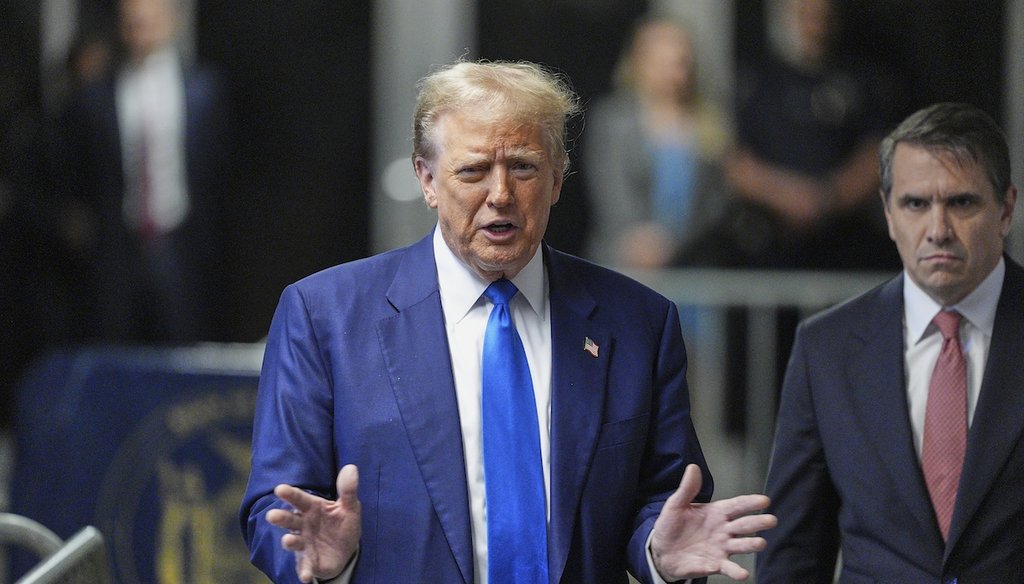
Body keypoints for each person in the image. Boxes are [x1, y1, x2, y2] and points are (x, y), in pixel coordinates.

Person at [240, 60, 775, 584]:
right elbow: (278, 506)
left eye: (523, 167)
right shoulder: (325, 315)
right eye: (473, 170)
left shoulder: (638, 322)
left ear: (558, 180)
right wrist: (326, 562)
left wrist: (659, 551)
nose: (500, 194)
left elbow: (663, 499)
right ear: (427, 179)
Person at [757, 102, 1023, 582]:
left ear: (1005, 208)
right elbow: (792, 554)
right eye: (916, 204)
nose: (938, 230)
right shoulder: (827, 350)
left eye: (961, 203)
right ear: (888, 213)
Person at [60, 0, 229, 343]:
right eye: (132, 21)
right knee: (116, 349)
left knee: (184, 347)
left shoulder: (203, 89)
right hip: (118, 247)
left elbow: (219, 174)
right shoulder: (99, 94)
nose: (141, 28)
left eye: (149, 19)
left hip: (181, 244)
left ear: (172, 21)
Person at [722, 0, 898, 270]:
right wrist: (789, 197)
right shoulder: (757, 80)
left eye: (822, 15)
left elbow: (877, 154)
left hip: (844, 245)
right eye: (806, 14)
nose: (815, 24)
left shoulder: (860, 80)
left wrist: (828, 198)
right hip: (768, 248)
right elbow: (735, 162)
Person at [583, 16, 730, 269]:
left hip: (692, 266)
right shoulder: (613, 120)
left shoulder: (710, 125)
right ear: (638, 62)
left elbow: (717, 201)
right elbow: (610, 189)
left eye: (679, 62)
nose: (671, 72)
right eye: (660, 60)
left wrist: (671, 244)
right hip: (623, 263)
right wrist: (637, 240)